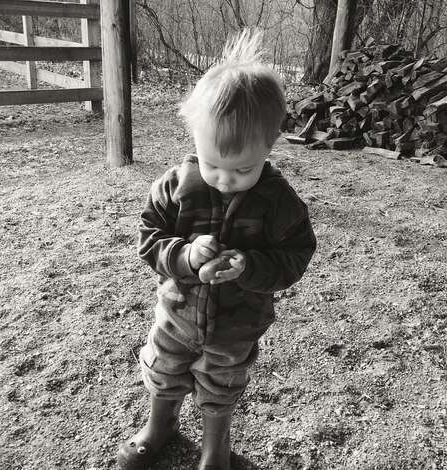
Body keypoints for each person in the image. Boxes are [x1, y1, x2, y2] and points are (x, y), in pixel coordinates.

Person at [118, 29, 316, 470]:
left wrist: (248, 266)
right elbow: (149, 237)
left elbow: (295, 257)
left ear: (271, 145)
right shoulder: (176, 186)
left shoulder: (279, 202)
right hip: (178, 310)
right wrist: (185, 256)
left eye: (243, 169)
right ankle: (160, 426)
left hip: (238, 322)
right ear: (194, 140)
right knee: (164, 369)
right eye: (211, 165)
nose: (224, 179)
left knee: (222, 382)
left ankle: (215, 448)